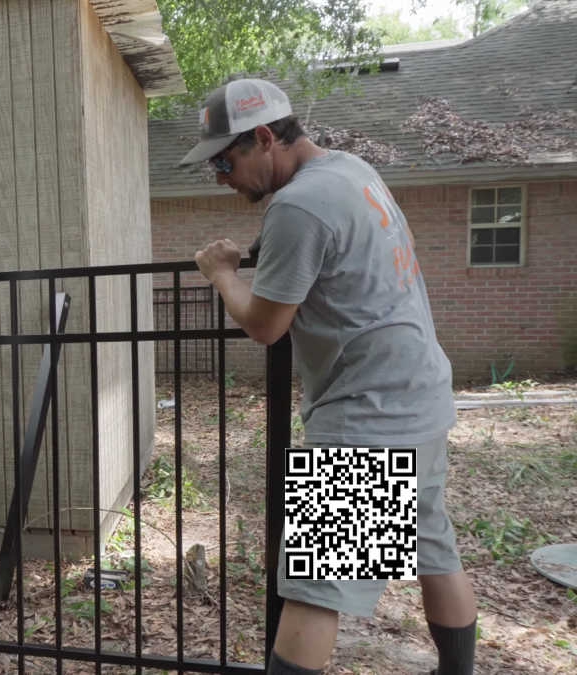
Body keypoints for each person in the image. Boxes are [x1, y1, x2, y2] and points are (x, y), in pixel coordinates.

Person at [181, 79, 476, 675]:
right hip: (421, 398)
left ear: (265, 138)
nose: (219, 175)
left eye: (224, 159)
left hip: (370, 418)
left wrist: (220, 273)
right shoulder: (350, 171)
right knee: (433, 551)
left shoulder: (298, 206)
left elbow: (266, 325)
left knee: (316, 593)